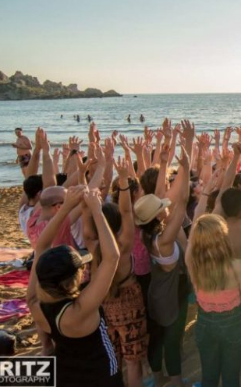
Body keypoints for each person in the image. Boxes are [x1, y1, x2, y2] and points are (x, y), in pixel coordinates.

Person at [26, 185, 123, 387]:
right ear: (75, 277)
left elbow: (41, 246)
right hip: (100, 374)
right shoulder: (79, 311)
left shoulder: (35, 303)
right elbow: (111, 257)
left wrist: (66, 207)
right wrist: (96, 210)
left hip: (65, 374)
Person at [134, 121, 194, 387]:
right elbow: (180, 202)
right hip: (172, 293)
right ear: (157, 214)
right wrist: (186, 163)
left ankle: (158, 379)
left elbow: (163, 197)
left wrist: (164, 160)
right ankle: (176, 382)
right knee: (171, 339)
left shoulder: (150, 232)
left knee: (158, 336)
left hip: (157, 290)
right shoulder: (165, 238)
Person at [83, 158, 147, 387]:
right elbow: (127, 209)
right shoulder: (124, 244)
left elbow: (86, 209)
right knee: (134, 361)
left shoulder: (92, 244)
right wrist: (122, 179)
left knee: (114, 358)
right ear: (118, 222)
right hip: (130, 301)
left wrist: (90, 176)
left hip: (105, 304)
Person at [186, 214, 241, 387]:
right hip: (233, 322)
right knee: (231, 378)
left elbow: (190, 244)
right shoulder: (236, 266)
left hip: (204, 322)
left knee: (209, 377)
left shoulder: (192, 262)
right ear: (223, 236)